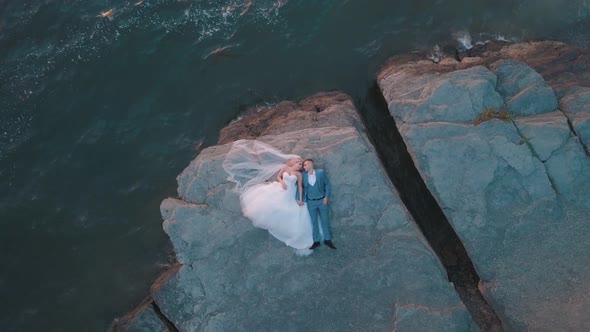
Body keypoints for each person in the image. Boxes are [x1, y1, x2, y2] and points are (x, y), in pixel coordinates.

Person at [222, 140, 313, 251]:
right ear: (294, 162)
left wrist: (299, 199)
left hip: (290, 192)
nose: (300, 167)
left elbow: (299, 186)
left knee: (289, 211)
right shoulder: (285, 167)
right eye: (299, 164)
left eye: (301, 166)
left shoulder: (298, 174)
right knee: (268, 202)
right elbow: (279, 177)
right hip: (281, 188)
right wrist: (282, 182)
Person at [302, 159, 336, 250]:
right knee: (314, 222)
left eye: (305, 165)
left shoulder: (320, 172)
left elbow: (327, 184)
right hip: (310, 202)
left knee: (325, 221)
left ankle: (327, 240)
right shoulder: (303, 175)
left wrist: (326, 197)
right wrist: (299, 199)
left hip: (322, 201)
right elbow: (299, 186)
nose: (303, 167)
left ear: (310, 164)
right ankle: (316, 241)